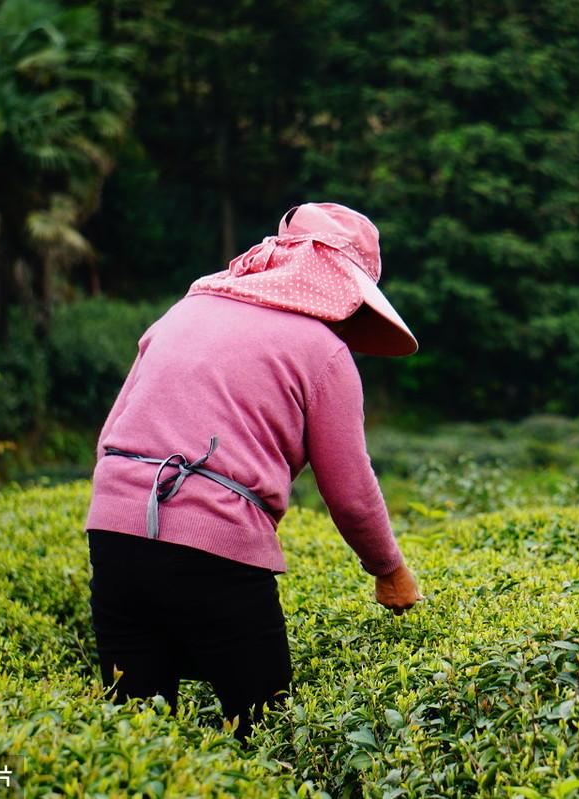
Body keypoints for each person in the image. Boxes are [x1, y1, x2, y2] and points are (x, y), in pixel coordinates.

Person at [84, 202, 423, 744]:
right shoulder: (323, 352)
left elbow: (111, 435)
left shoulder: (182, 313)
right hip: (217, 550)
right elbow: (352, 495)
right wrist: (390, 571)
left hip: (114, 533)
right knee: (266, 729)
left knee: (134, 733)